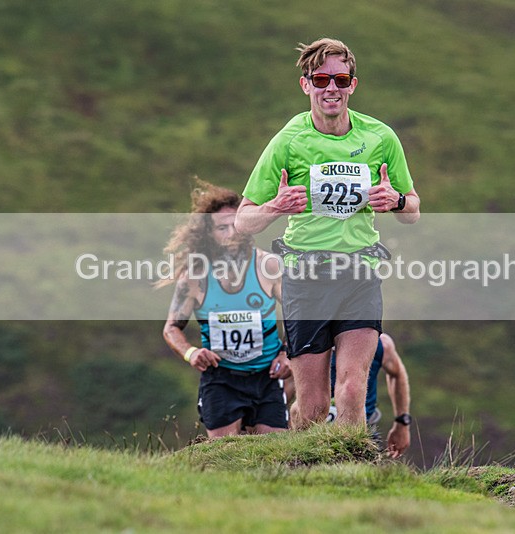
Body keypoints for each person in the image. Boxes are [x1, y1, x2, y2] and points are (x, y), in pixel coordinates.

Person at [235, 37, 420, 429]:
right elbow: (242, 220)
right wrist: (274, 207)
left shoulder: (381, 138)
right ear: (306, 85)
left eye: (340, 79)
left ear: (353, 83)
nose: (330, 88)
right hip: (305, 278)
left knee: (352, 390)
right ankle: (307, 470)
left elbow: (413, 211)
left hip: (359, 273)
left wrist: (397, 200)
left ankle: (350, 477)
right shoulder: (288, 141)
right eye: (321, 80)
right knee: (314, 406)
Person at [160, 180, 291, 438]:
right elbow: (171, 328)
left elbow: (299, 317)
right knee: (225, 455)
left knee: (274, 454)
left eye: (235, 225)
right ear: (209, 234)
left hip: (267, 377)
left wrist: (287, 354)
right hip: (221, 379)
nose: (231, 234)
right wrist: (191, 353)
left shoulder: (270, 266)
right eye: (222, 228)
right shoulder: (195, 276)